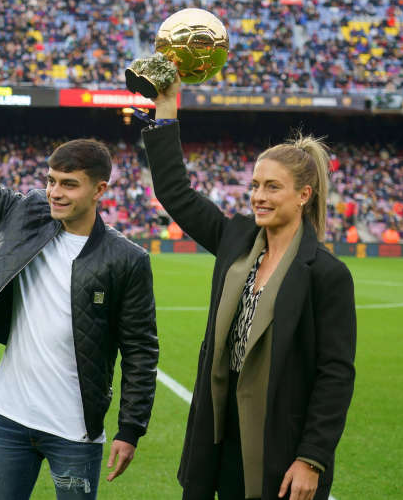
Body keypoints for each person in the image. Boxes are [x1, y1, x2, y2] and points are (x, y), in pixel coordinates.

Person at [0, 69, 159, 500]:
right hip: (10, 420)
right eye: (51, 181)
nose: (55, 192)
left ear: (99, 189)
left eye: (69, 184)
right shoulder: (25, 216)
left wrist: (131, 429)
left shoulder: (127, 259)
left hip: (74, 431)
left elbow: (141, 350)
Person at [142, 77, 356, 500]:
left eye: (272, 187)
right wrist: (166, 112)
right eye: (255, 185)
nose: (258, 196)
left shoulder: (326, 273)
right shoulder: (235, 240)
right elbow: (175, 192)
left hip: (279, 446)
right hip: (218, 439)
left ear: (303, 196)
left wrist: (311, 458)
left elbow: (335, 376)